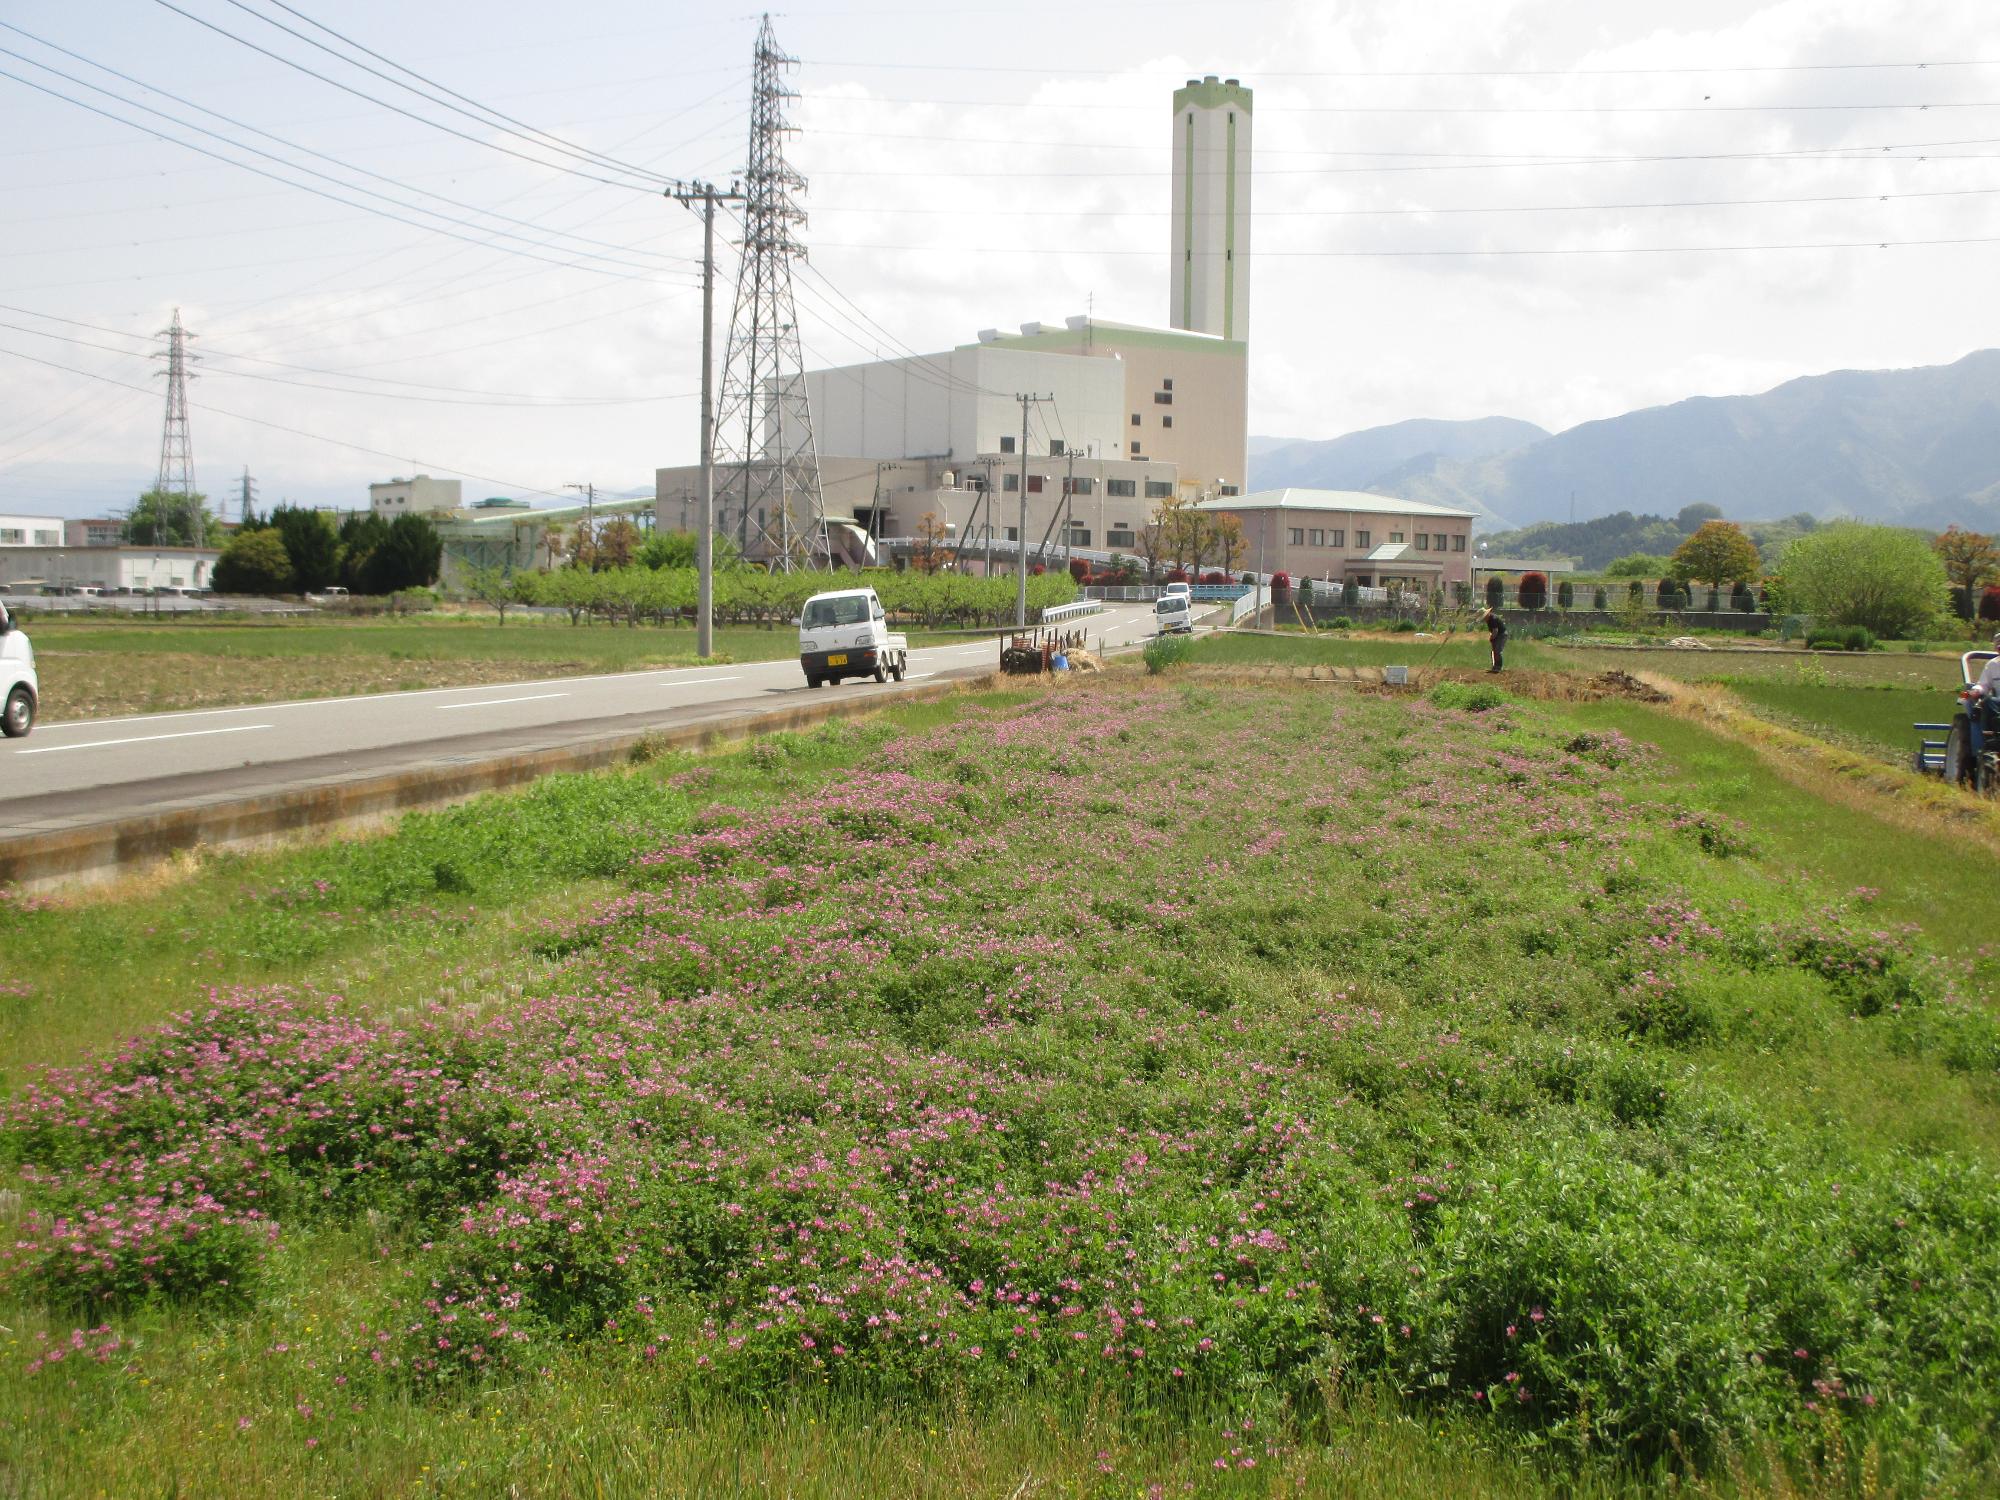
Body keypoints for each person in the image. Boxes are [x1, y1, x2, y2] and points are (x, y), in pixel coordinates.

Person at [1481, 606, 1507, 673]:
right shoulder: (1488, 620)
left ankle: (1499, 667)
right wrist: (1492, 638)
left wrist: (1492, 638)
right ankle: (1495, 666)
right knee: (1494, 651)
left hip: (1502, 635)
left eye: (1485, 616)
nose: (1484, 619)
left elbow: (1495, 631)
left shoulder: (1493, 618)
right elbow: (1492, 631)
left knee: (1497, 651)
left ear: (1488, 614)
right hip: (1497, 635)